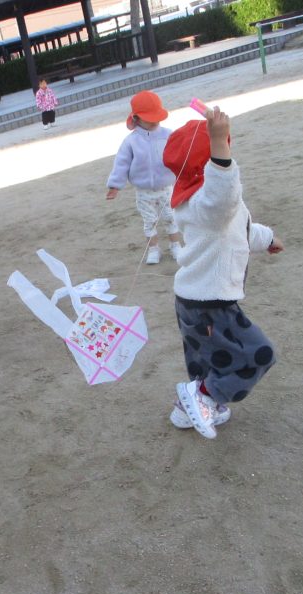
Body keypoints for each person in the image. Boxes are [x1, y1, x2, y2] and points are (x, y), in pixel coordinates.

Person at [162, 106, 284, 440]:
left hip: (193, 299)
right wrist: (218, 141)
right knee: (257, 355)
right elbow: (224, 196)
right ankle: (204, 397)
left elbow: (240, 228)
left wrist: (268, 238)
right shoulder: (208, 202)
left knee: (207, 361)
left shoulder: (205, 206)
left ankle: (187, 407)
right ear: (211, 164)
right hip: (209, 304)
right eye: (221, 151)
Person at [106, 91, 183, 265]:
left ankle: (175, 245)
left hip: (166, 188)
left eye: (157, 117)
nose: (155, 121)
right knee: (150, 221)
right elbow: (121, 164)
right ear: (137, 118)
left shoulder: (168, 134)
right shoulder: (131, 141)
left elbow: (180, 154)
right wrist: (115, 185)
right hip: (143, 191)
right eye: (149, 118)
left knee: (171, 217)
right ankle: (154, 249)